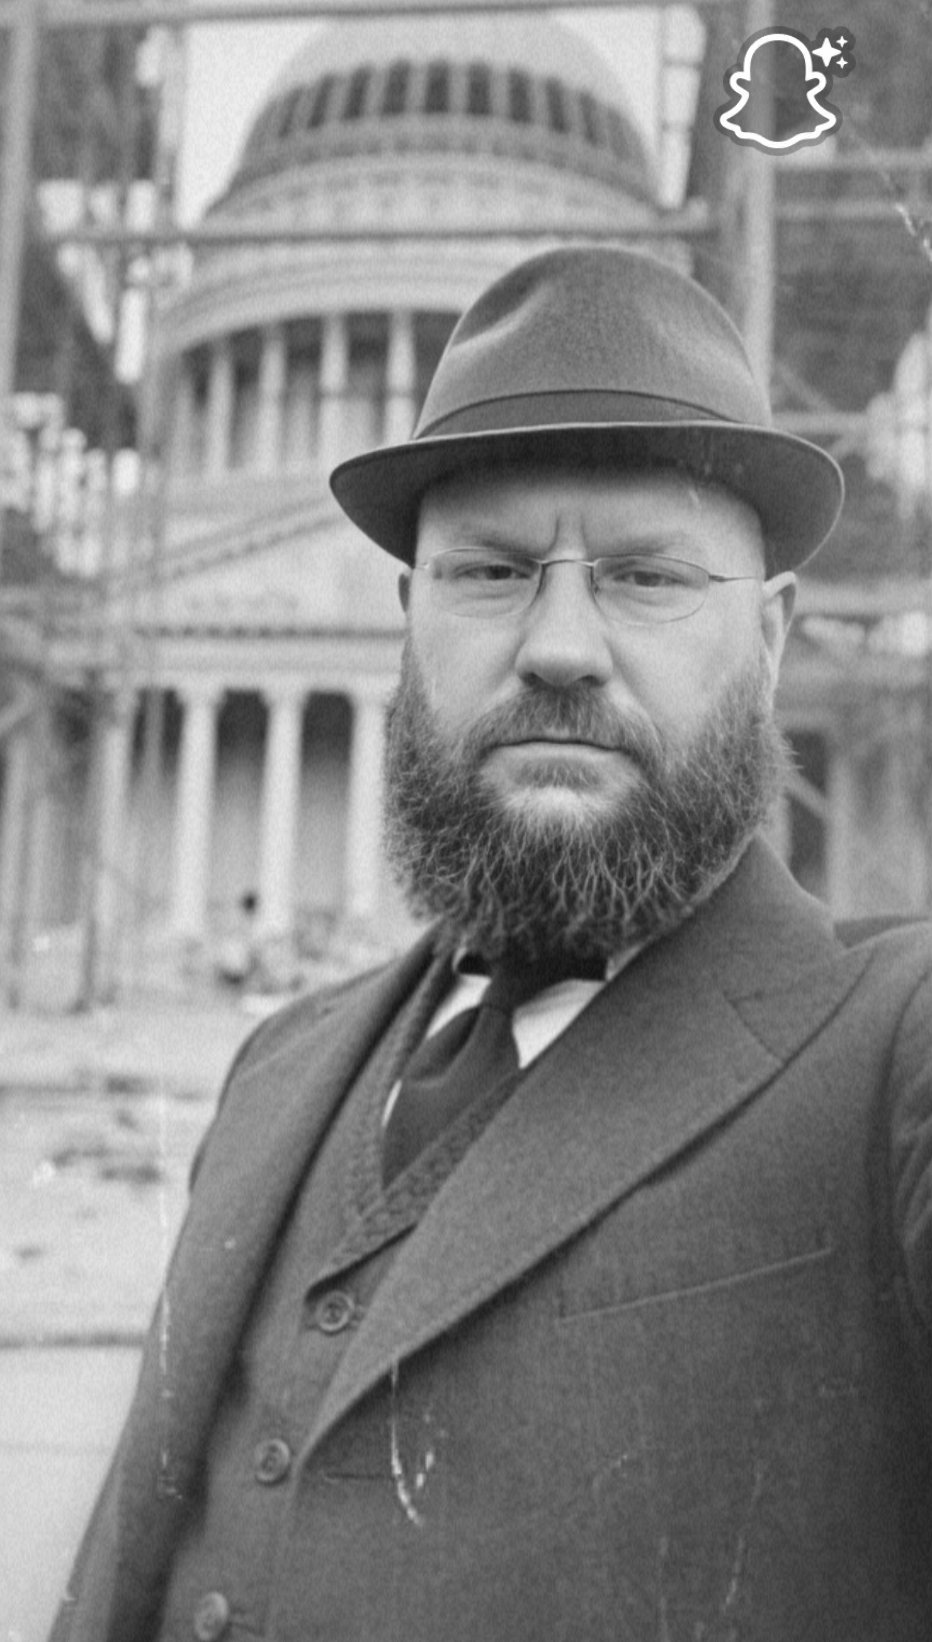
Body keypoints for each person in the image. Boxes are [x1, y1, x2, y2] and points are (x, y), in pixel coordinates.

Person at [51, 246, 932, 1642]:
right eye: (490, 570)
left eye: (645, 576)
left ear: (770, 643)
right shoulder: (277, 1069)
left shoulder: (894, 1049)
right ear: (405, 620)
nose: (561, 645)